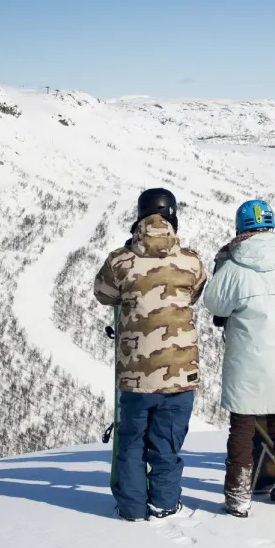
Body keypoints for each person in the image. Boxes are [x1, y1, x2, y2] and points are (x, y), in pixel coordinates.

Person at [93, 187, 206, 521]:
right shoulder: (190, 260)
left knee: (130, 445)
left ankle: (131, 508)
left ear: (139, 218)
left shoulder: (120, 260)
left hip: (135, 374)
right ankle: (166, 504)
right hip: (180, 373)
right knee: (166, 446)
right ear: (172, 217)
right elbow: (195, 292)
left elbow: (103, 294)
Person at [203, 199, 275, 517]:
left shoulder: (234, 268)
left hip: (247, 361)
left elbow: (214, 304)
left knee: (243, 429)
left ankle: (238, 495)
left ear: (240, 228)